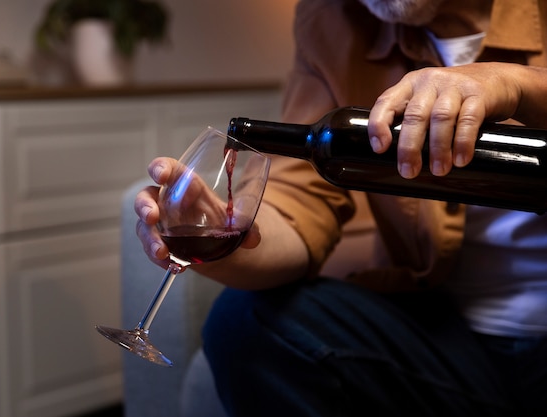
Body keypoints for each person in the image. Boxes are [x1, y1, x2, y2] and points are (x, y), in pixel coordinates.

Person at [134, 0, 547, 415]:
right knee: (244, 323)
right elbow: (299, 204)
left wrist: (519, 85)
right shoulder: (333, 16)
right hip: (456, 337)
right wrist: (225, 231)